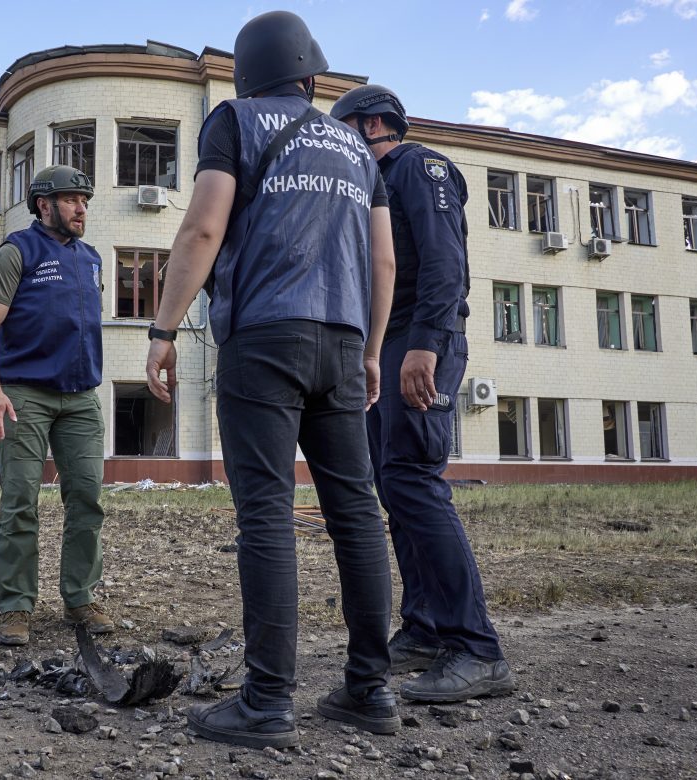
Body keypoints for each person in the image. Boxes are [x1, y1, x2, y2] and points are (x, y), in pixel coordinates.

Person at [144, 11, 398, 749]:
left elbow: (201, 229)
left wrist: (163, 330)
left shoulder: (235, 121)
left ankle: (266, 702)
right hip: (344, 343)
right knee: (355, 512)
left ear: (249, 73)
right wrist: (373, 349)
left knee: (266, 515)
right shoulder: (357, 145)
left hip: (264, 339)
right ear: (310, 76)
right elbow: (383, 262)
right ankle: (371, 690)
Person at [330, 85, 515, 702]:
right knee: (393, 484)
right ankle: (427, 629)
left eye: (347, 129)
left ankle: (477, 649)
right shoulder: (372, 188)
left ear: (376, 123)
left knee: (413, 479)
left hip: (420, 339)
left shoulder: (417, 166)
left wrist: (425, 345)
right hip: (388, 341)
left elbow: (444, 262)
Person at [0, 164, 113, 647]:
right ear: (44, 204)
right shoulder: (16, 252)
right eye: (73, 199)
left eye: (85, 201)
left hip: (81, 398)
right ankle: (15, 605)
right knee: (19, 503)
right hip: (24, 395)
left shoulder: (92, 258)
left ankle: (80, 599)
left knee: (88, 499)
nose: (81, 209)